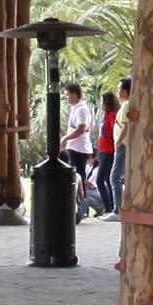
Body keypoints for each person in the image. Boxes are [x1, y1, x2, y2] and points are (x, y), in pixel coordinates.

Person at [58, 81, 97, 211]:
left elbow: (82, 128)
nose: (67, 97)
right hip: (75, 147)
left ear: (75, 95)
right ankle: (79, 206)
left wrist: (65, 138)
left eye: (68, 95)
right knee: (77, 176)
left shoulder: (81, 110)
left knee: (79, 177)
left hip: (79, 149)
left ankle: (82, 207)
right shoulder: (76, 109)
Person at [94, 88, 122, 214]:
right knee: (106, 178)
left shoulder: (112, 115)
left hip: (109, 150)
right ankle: (110, 207)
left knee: (101, 180)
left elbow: (112, 132)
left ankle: (109, 207)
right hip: (103, 150)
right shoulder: (107, 116)